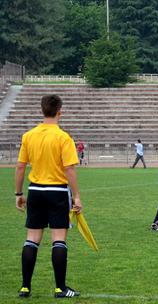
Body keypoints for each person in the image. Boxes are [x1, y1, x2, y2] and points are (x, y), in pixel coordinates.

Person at [15, 94, 82, 298]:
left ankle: (25, 287)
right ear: (60, 111)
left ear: (42, 110)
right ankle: (60, 288)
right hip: (58, 192)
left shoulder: (29, 135)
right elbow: (69, 169)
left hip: (35, 190)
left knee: (32, 239)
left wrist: (19, 193)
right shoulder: (63, 137)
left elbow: (20, 166)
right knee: (58, 239)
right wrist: (77, 196)